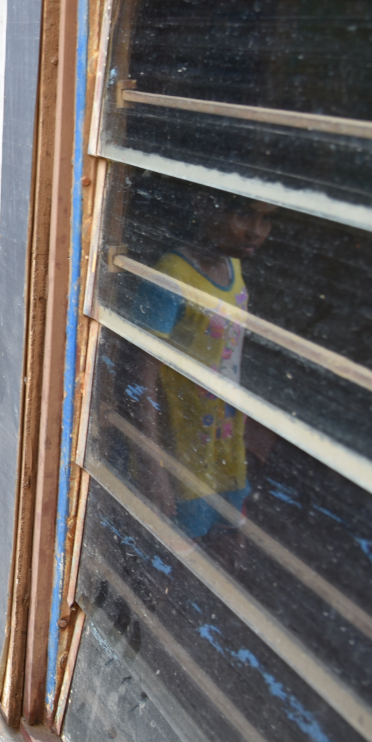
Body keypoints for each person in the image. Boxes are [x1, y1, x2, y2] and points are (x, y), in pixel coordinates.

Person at [128, 187, 275, 561]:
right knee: (178, 556)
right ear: (204, 205)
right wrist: (153, 464)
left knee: (227, 544)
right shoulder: (171, 278)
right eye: (244, 214)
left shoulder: (233, 265)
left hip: (223, 441)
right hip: (182, 450)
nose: (256, 231)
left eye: (267, 218)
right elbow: (139, 374)